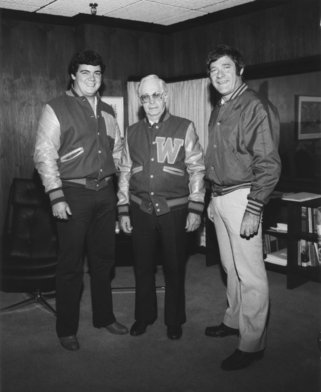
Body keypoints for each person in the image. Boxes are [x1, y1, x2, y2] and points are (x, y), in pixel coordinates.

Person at [34, 49, 128, 351]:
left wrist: (116, 187)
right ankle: (67, 329)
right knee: (70, 265)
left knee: (104, 261)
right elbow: (44, 154)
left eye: (97, 72)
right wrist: (56, 195)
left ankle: (104, 317)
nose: (92, 78)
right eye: (85, 72)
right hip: (72, 193)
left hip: (105, 193)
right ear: (73, 75)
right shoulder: (55, 107)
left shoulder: (108, 111)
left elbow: (117, 150)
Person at [204, 44, 281, 370]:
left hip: (243, 197)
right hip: (220, 196)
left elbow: (269, 164)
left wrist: (254, 208)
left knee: (250, 275)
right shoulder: (220, 107)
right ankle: (233, 321)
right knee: (229, 267)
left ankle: (252, 344)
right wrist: (212, 198)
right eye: (213, 70)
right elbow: (220, 157)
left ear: (240, 70)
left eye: (225, 68)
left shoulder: (255, 107)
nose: (219, 75)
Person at [117, 74, 205, 340]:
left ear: (165, 97)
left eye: (156, 95)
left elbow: (197, 168)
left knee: (174, 266)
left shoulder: (184, 127)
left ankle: (174, 320)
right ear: (140, 100)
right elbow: (124, 171)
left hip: (175, 211)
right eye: (145, 97)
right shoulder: (131, 132)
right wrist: (122, 208)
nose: (151, 101)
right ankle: (144, 317)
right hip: (140, 209)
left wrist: (196, 206)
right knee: (142, 266)